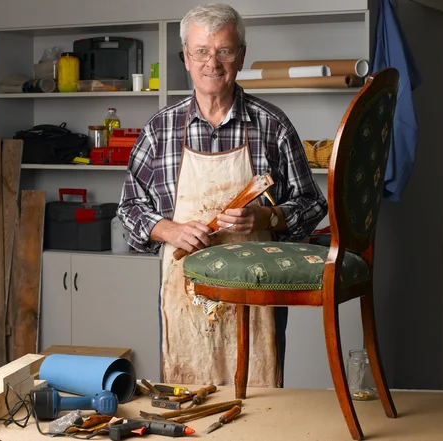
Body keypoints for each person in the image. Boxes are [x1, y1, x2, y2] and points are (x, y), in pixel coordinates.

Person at [117, 3, 327, 387]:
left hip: (257, 294)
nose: (212, 62)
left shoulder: (272, 125)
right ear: (185, 57)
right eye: (201, 51)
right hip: (185, 292)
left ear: (241, 56)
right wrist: (168, 230)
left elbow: (313, 203)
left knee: (261, 401)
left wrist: (269, 217)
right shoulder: (160, 129)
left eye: (224, 51)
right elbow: (129, 208)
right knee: (186, 394)